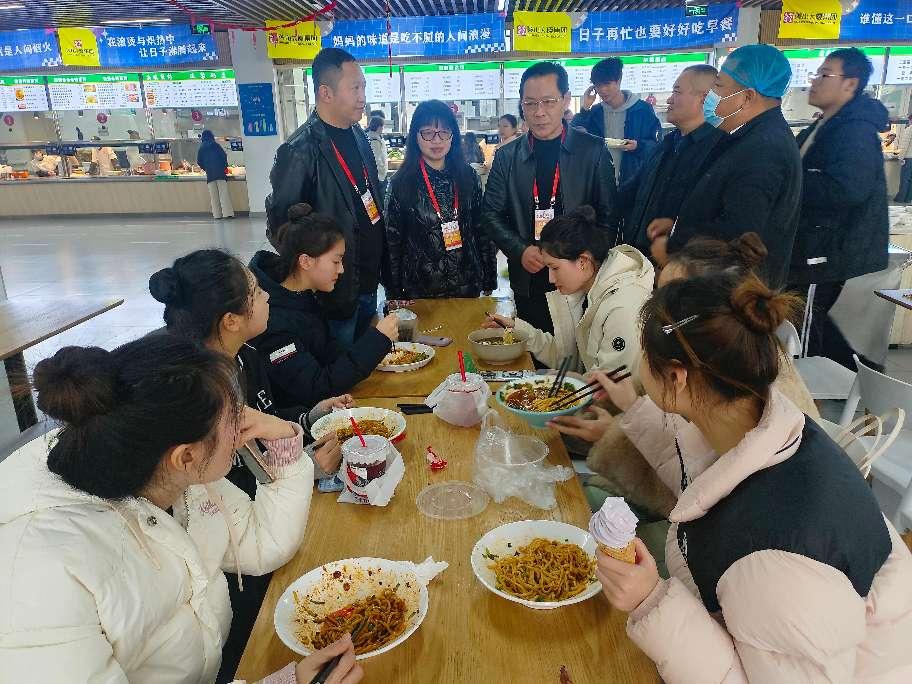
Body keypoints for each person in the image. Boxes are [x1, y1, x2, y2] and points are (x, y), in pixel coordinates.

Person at [588, 274, 912, 682]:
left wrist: (649, 600)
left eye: (644, 359)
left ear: (677, 378)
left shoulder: (777, 567)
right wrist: (634, 410)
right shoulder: (767, 426)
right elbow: (703, 481)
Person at [0, 335, 363, 684]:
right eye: (233, 417)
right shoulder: (43, 576)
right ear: (185, 456)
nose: (244, 422)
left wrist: (282, 436)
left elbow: (261, 542)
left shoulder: (168, 472)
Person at [149, 250, 348, 682]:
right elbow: (237, 482)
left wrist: (307, 419)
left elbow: (263, 420)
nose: (267, 297)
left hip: (252, 531)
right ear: (231, 320)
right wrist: (303, 464)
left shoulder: (245, 358)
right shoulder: (192, 402)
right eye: (256, 292)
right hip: (240, 554)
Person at [648, 44, 802, 287]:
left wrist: (673, 246)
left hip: (731, 290)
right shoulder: (746, 136)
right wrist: (679, 225)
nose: (710, 95)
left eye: (718, 86)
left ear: (747, 97)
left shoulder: (764, 150)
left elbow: (738, 230)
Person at [482, 61, 618, 334]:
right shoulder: (507, 156)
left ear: (566, 100)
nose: (539, 112)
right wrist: (520, 249)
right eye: (530, 103)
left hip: (579, 280)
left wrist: (585, 262)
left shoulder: (592, 150)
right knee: (534, 347)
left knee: (581, 350)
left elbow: (609, 216)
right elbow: (490, 213)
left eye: (548, 101)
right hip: (529, 276)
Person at [266, 48, 386, 347]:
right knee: (339, 367)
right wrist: (315, 276)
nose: (362, 97)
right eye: (354, 88)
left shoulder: (358, 136)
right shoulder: (299, 150)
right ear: (325, 92)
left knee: (367, 362)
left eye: (363, 87)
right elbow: (282, 229)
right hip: (331, 294)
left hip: (367, 281)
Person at [789, 48, 890, 369]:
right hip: (812, 246)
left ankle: (852, 377)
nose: (814, 81)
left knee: (803, 325)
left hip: (826, 248)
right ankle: (864, 374)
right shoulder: (825, 125)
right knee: (807, 318)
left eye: (824, 75)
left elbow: (848, 189)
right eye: (816, 74)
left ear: (850, 84)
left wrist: (792, 183)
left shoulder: (854, 131)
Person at [250, 204, 398, 411]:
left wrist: (372, 343)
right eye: (336, 261)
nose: (342, 269)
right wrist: (377, 341)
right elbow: (316, 387)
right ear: (305, 261)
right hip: (299, 420)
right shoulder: (273, 321)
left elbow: (331, 355)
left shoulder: (303, 296)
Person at [484, 206, 652, 374]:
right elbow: (570, 361)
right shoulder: (587, 290)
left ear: (583, 261)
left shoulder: (622, 307)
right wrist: (518, 330)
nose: (551, 279)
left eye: (554, 268)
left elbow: (609, 385)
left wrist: (544, 377)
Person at [384, 100, 497, 300]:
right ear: (415, 136)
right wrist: (394, 293)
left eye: (444, 132)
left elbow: (482, 228)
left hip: (467, 282)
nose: (437, 140)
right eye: (428, 133)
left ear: (453, 136)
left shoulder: (468, 176)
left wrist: (489, 276)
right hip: (421, 288)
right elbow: (393, 242)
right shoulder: (401, 183)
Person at [621, 65, 726, 255]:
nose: (669, 99)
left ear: (704, 99)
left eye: (677, 92)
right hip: (640, 258)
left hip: (676, 262)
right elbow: (631, 192)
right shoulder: (667, 143)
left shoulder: (718, 153)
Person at [572, 57, 661, 189]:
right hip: (601, 185)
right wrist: (585, 108)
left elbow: (657, 148)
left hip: (634, 184)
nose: (602, 90)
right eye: (598, 85)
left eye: (607, 84)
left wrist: (638, 146)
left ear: (619, 80)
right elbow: (573, 137)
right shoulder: (595, 112)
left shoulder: (642, 110)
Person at [197, 129, 235, 220]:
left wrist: (206, 168)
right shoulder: (215, 145)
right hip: (220, 173)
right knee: (223, 194)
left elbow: (199, 161)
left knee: (213, 196)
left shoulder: (201, 148)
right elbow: (224, 156)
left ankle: (217, 215)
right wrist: (225, 167)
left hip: (210, 175)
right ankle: (227, 214)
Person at [366, 114, 388, 197]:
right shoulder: (374, 140)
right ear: (378, 127)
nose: (383, 129)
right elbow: (376, 159)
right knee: (381, 197)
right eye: (382, 127)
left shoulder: (371, 137)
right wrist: (382, 172)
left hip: (377, 175)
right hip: (379, 176)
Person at [895, 120, 912, 203]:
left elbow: (905, 145)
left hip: (908, 158)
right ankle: (908, 198)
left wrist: (900, 157)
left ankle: (901, 198)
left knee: (904, 178)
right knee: (910, 180)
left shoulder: (910, 129)